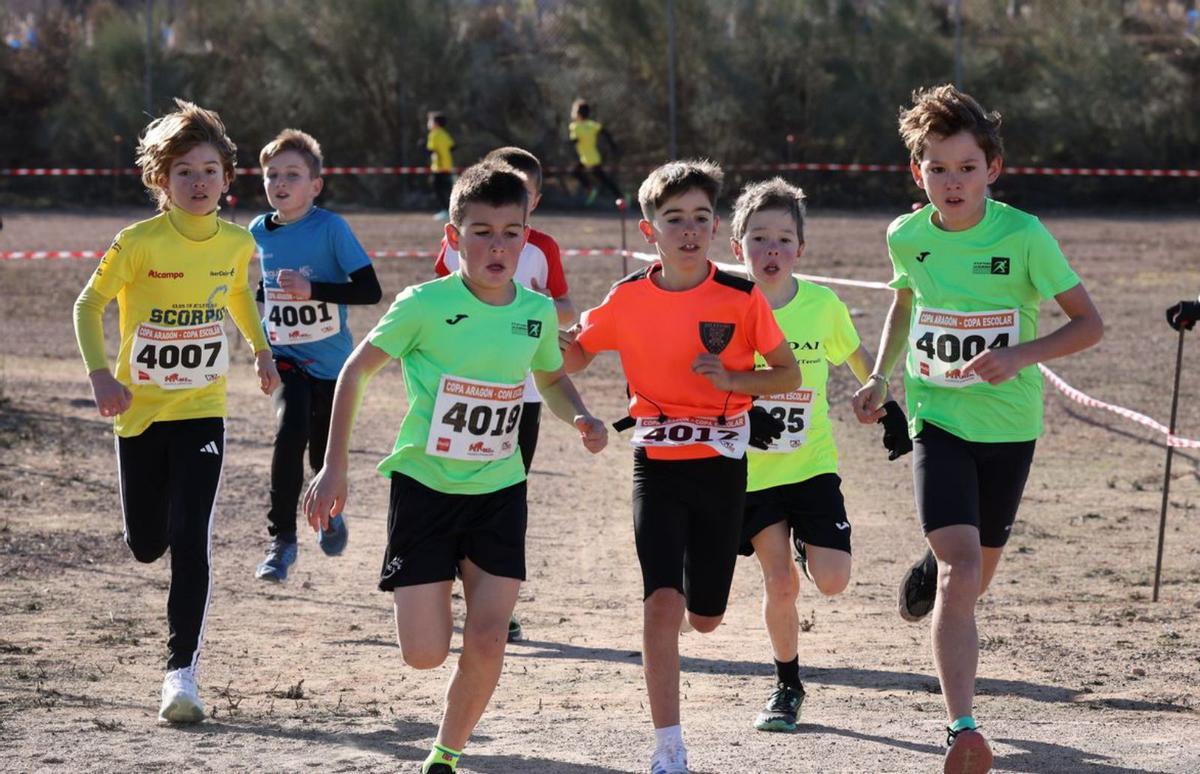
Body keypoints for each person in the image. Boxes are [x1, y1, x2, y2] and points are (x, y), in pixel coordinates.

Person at [303, 161, 607, 774]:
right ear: (452, 236)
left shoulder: (536, 311)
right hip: (426, 487)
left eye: (511, 233)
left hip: (499, 488)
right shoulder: (424, 305)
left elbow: (548, 374)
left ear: (528, 236)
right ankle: (433, 618)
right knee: (423, 653)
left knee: (491, 634)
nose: (498, 246)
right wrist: (334, 467)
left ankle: (446, 751)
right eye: (482, 232)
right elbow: (355, 371)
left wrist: (578, 414)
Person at [850, 85, 1103, 773]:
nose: (951, 182)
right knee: (963, 571)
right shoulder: (906, 235)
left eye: (965, 167)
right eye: (937, 167)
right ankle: (961, 727)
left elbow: (1090, 324)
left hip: (1011, 427)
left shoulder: (1023, 235)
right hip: (939, 419)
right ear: (917, 173)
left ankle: (931, 574)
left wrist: (1019, 355)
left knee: (970, 577)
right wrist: (879, 375)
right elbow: (905, 306)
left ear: (992, 167)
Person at [560, 159, 801, 774]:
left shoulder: (741, 295)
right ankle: (669, 748)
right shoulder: (627, 298)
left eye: (699, 218)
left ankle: (702, 586)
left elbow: (788, 374)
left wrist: (733, 378)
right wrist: (548, 337)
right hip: (657, 463)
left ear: (715, 226)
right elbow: (578, 356)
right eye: (674, 220)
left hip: (722, 467)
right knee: (661, 605)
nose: (688, 231)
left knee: (706, 617)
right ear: (650, 231)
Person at [72, 99, 280, 723]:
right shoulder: (138, 243)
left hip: (201, 408)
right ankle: (148, 526)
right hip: (137, 411)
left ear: (226, 178)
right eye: (184, 170)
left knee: (192, 537)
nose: (198, 182)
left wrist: (261, 350)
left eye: (210, 170)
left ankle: (180, 677)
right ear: (161, 179)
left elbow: (238, 294)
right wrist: (102, 376)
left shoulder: (239, 243)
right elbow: (88, 306)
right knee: (146, 543)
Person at [728, 177, 910, 733]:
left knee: (832, 580)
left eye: (784, 238)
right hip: (751, 472)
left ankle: (811, 546)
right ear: (738, 247)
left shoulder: (821, 305)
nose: (772, 250)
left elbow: (857, 360)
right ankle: (787, 686)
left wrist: (881, 398)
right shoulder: (723, 305)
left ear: (800, 250)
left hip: (810, 464)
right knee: (778, 582)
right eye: (759, 238)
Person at [434, 145, 576, 642]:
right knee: (452, 485)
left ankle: (495, 597)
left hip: (525, 393)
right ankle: (448, 570)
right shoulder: (465, 239)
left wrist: (537, 317)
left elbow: (565, 305)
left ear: (533, 200)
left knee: (508, 491)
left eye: (525, 190)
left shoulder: (543, 248)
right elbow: (442, 294)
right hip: (462, 388)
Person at [250, 129, 382, 582]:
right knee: (290, 430)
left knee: (322, 454)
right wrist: (260, 347)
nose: (280, 182)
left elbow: (370, 289)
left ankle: (327, 512)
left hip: (333, 365)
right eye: (272, 175)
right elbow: (262, 291)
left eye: (292, 174)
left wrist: (313, 290)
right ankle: (281, 540)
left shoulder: (331, 228)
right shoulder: (257, 231)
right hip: (286, 357)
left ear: (315, 185)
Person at [568, 98, 623, 206]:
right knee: (601, 179)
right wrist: (613, 146)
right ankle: (620, 196)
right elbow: (605, 132)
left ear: (577, 114)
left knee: (578, 173)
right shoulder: (592, 125)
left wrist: (571, 141)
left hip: (587, 160)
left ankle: (591, 189)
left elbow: (573, 141)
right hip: (592, 158)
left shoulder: (575, 126)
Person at [426, 111, 455, 221]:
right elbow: (453, 147)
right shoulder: (444, 133)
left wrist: (421, 148)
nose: (428, 123)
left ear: (436, 123)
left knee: (438, 189)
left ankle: (445, 211)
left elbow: (431, 150)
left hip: (438, 167)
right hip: (447, 166)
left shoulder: (433, 134)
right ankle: (450, 211)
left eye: (430, 121)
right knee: (447, 189)